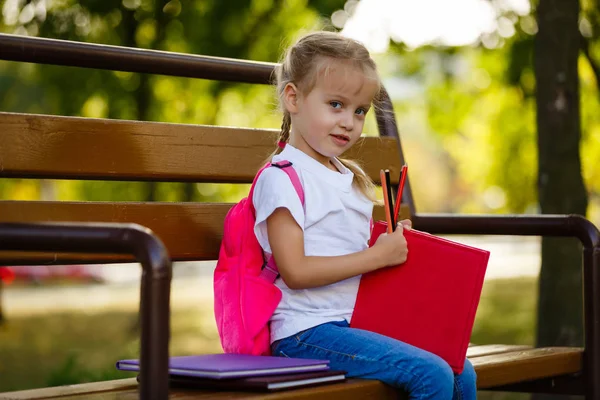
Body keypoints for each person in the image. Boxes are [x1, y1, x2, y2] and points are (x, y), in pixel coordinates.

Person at [252, 31, 477, 399]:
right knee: (433, 375)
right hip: (304, 333)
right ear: (293, 97)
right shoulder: (283, 178)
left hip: (352, 322)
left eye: (359, 111)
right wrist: (374, 257)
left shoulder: (346, 175)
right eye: (336, 105)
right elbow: (295, 271)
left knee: (459, 369)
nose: (349, 122)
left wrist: (389, 242)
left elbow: (345, 245)